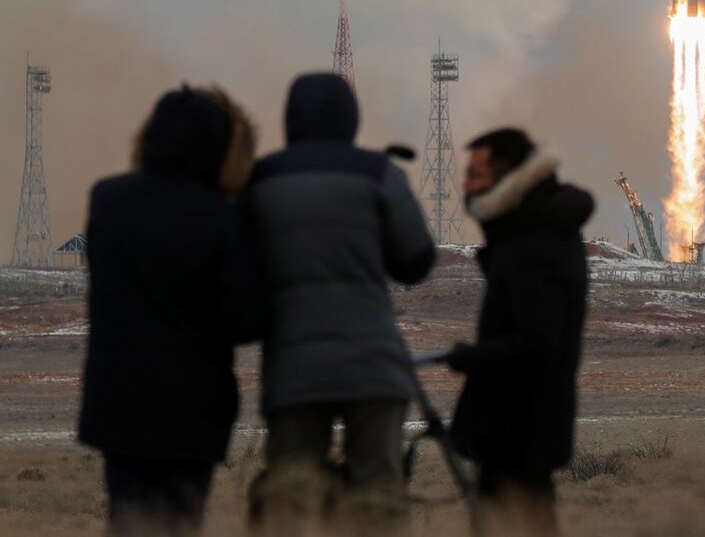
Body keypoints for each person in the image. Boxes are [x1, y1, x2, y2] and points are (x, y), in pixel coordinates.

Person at [246, 72, 434, 535]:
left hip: (294, 370)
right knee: (378, 498)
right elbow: (415, 262)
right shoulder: (378, 173)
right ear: (352, 118)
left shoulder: (262, 179)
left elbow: (240, 274)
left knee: (292, 499)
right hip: (373, 364)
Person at [78, 85, 262, 536]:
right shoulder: (222, 218)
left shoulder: (108, 200)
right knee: (180, 523)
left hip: (117, 407)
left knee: (126, 519)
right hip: (191, 416)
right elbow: (246, 321)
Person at [448, 128, 593, 536]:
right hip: (521, 427)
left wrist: (471, 357)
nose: (467, 185)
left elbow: (537, 344)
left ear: (507, 174)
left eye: (476, 174)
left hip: (520, 427)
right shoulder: (537, 231)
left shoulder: (534, 243)